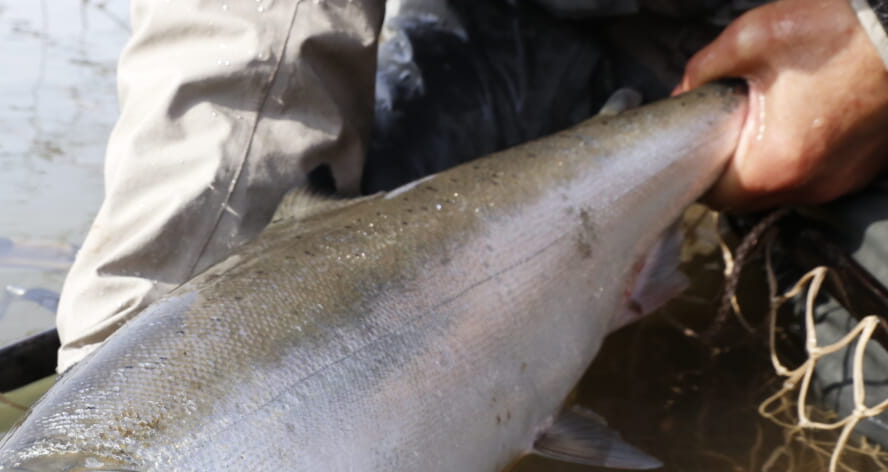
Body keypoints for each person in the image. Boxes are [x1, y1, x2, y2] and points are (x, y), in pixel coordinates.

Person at [54, 0, 888, 373]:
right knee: (322, 298)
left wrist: (873, 49)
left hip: (837, 33)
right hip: (520, 26)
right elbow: (247, 37)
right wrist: (137, 347)